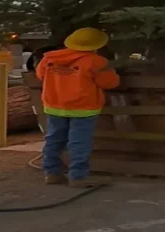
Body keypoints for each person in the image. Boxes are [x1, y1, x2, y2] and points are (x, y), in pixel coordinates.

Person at [35, 27, 120, 188]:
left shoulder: (49, 59)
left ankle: (52, 173)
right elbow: (110, 83)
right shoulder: (96, 62)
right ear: (96, 45)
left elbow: (40, 75)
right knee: (80, 142)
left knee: (53, 140)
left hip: (54, 106)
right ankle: (78, 177)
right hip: (84, 108)